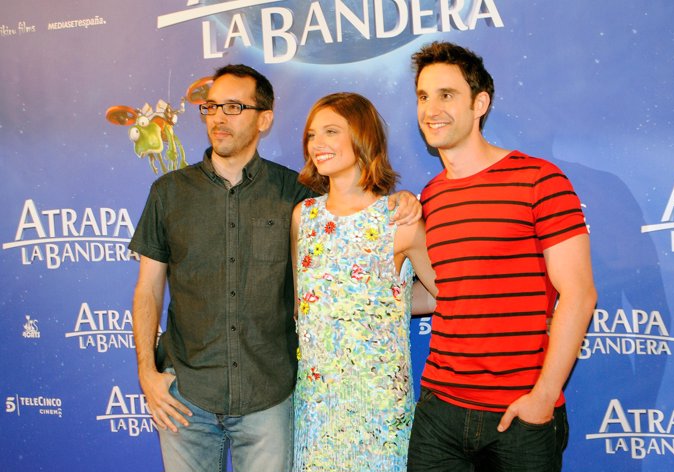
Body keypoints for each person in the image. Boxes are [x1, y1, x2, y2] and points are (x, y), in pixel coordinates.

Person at [129, 64, 422, 472]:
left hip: (269, 398)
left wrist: (401, 200)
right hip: (185, 397)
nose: (218, 117)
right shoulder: (168, 193)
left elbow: (357, 217)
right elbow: (147, 290)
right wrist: (146, 372)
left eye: (234, 106)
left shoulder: (298, 197)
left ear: (264, 119)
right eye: (211, 106)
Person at [406, 42, 597, 472]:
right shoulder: (431, 196)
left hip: (519, 416)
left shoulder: (539, 180)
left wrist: (543, 398)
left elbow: (580, 294)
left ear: (480, 103)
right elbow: (445, 292)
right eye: (422, 96)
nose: (431, 108)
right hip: (439, 412)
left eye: (446, 94)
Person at [290, 92, 437, 471]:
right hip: (318, 405)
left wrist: (392, 300)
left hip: (380, 408)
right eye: (311, 135)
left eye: (331, 131)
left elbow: (442, 294)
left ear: (363, 137)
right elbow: (303, 303)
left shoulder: (398, 219)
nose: (317, 144)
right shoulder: (302, 217)